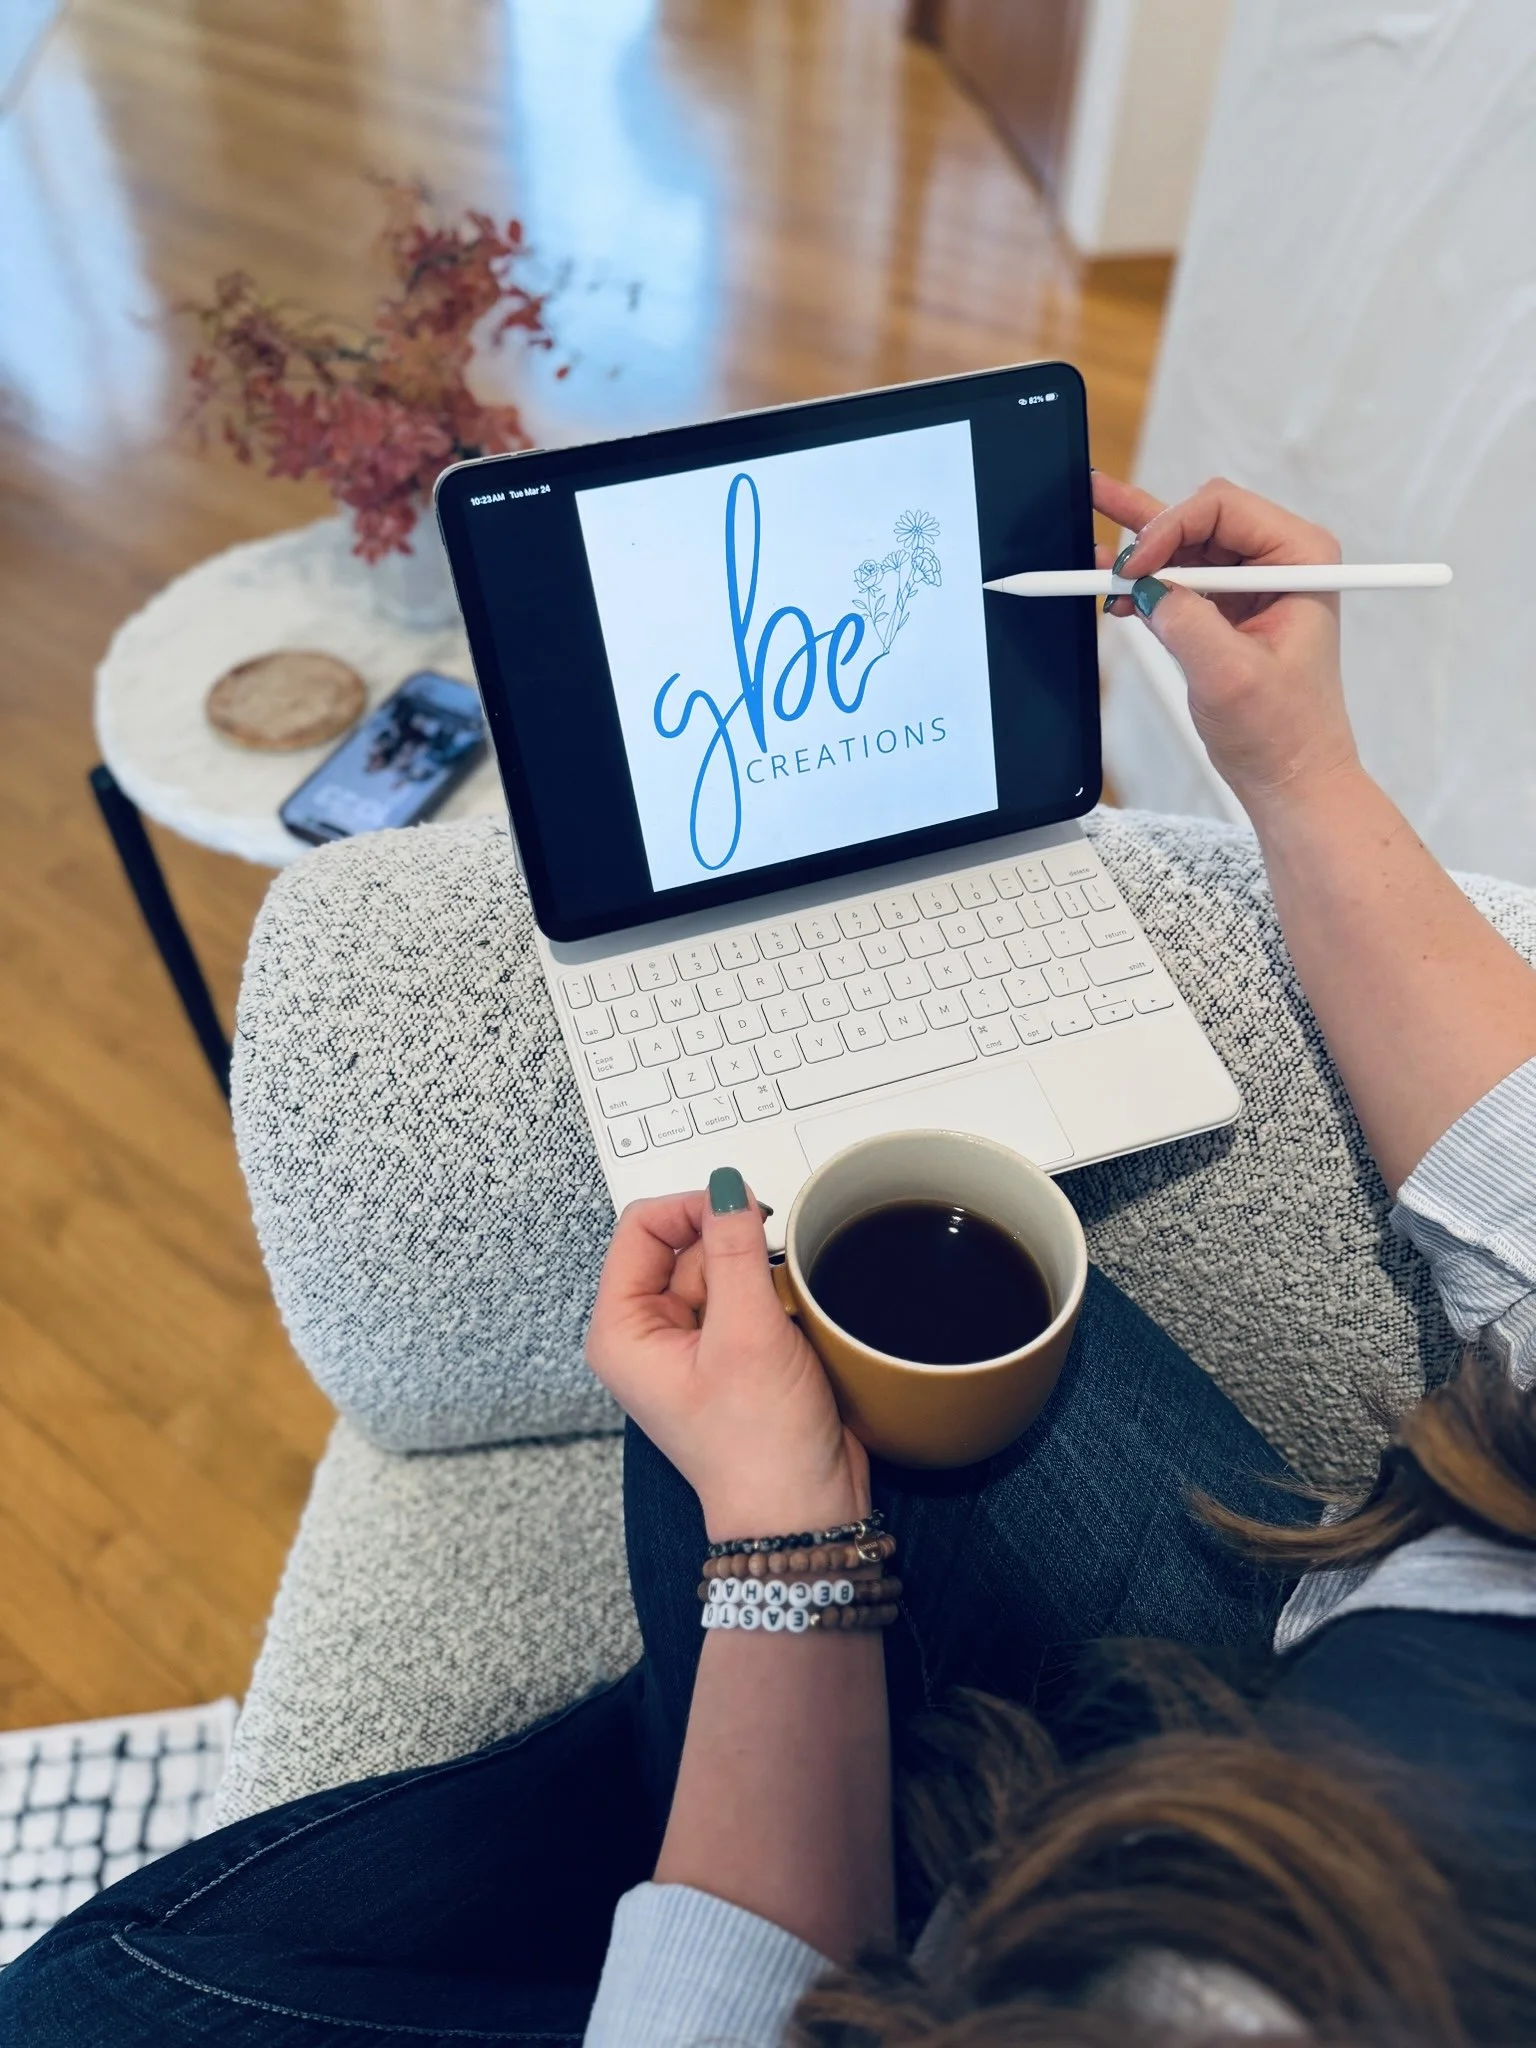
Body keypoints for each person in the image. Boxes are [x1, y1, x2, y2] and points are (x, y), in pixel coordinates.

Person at [5, 477, 1533, 2046]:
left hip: (1045, 1949)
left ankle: (687, 1799)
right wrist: (1294, 759)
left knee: (70, 2010)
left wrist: (788, 1561)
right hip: (1303, 1666)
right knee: (797, 1325)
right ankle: (731, 1783)